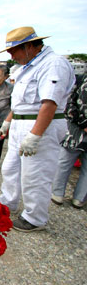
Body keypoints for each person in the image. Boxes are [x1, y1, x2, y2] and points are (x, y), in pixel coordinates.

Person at [0, 26, 75, 232]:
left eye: (14, 51)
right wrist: (8, 121)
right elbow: (22, 103)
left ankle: (34, 217)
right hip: (20, 124)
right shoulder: (27, 67)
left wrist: (35, 135)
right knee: (11, 167)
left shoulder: (53, 64)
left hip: (40, 126)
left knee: (35, 174)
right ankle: (8, 202)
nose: (11, 56)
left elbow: (49, 103)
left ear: (29, 46)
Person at [51, 73, 87, 209]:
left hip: (79, 128)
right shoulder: (81, 79)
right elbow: (70, 105)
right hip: (77, 130)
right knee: (65, 162)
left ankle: (79, 198)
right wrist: (84, 124)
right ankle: (57, 193)